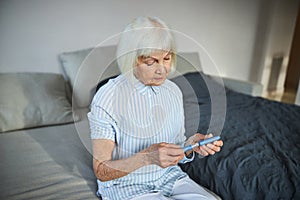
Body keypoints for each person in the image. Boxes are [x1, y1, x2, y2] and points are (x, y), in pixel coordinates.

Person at [87, 16, 223, 200]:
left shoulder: (173, 91)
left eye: (166, 58)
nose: (162, 70)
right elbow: (102, 170)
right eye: (150, 62)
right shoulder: (107, 97)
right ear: (131, 60)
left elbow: (176, 148)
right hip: (126, 186)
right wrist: (147, 158)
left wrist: (191, 145)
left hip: (169, 177)